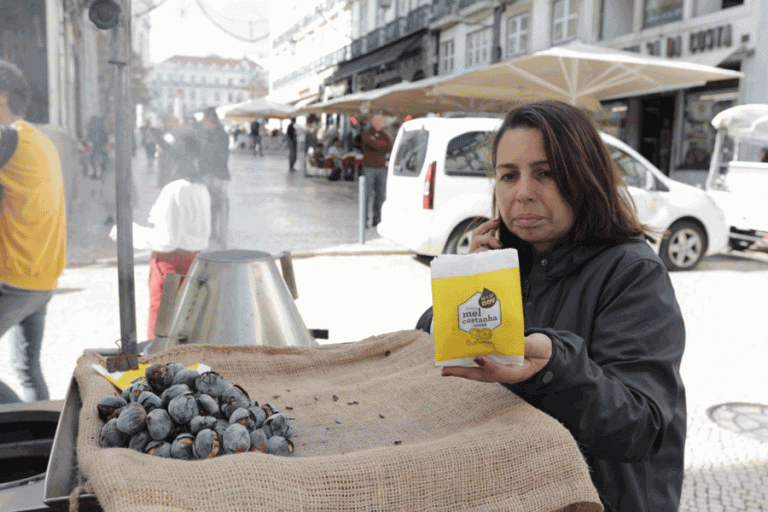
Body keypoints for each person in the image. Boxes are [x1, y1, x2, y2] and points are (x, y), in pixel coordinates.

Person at [431, 101, 686, 512]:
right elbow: (437, 352)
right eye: (508, 176)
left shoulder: (633, 271)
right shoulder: (508, 264)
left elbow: (641, 427)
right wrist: (466, 284)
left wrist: (556, 370)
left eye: (545, 174)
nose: (523, 192)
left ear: (584, 178)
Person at [0, 59, 67, 403]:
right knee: (28, 370)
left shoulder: (7, 138)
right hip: (42, 278)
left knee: (27, 369)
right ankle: (44, 439)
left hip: (15, 278)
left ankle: (15, 427)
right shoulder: (39, 139)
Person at [110, 129, 210, 341]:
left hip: (170, 268)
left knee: (162, 329)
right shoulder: (201, 188)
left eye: (160, 153)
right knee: (185, 325)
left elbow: (167, 240)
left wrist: (128, 233)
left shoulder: (175, 190)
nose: (156, 156)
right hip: (193, 265)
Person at [198, 107, 231, 247]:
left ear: (211, 120)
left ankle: (221, 236)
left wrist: (217, 177)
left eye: (204, 120)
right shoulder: (206, 133)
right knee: (209, 205)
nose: (202, 123)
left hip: (217, 176)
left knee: (220, 205)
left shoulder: (221, 135)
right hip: (206, 174)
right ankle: (211, 233)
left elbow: (223, 156)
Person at [360, 113, 392, 227]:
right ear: (373, 121)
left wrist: (379, 143)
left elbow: (389, 147)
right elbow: (375, 145)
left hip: (381, 168)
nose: (379, 123)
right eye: (377, 121)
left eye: (381, 121)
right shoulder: (367, 133)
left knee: (380, 195)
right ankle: (364, 220)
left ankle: (377, 219)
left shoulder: (384, 135)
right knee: (366, 195)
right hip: (369, 167)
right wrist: (380, 144)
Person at [87, 114, 108, 179]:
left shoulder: (101, 129)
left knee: (97, 160)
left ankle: (98, 173)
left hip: (99, 147)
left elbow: (105, 138)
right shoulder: (92, 129)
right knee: (94, 160)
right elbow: (89, 137)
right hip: (95, 147)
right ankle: (96, 173)